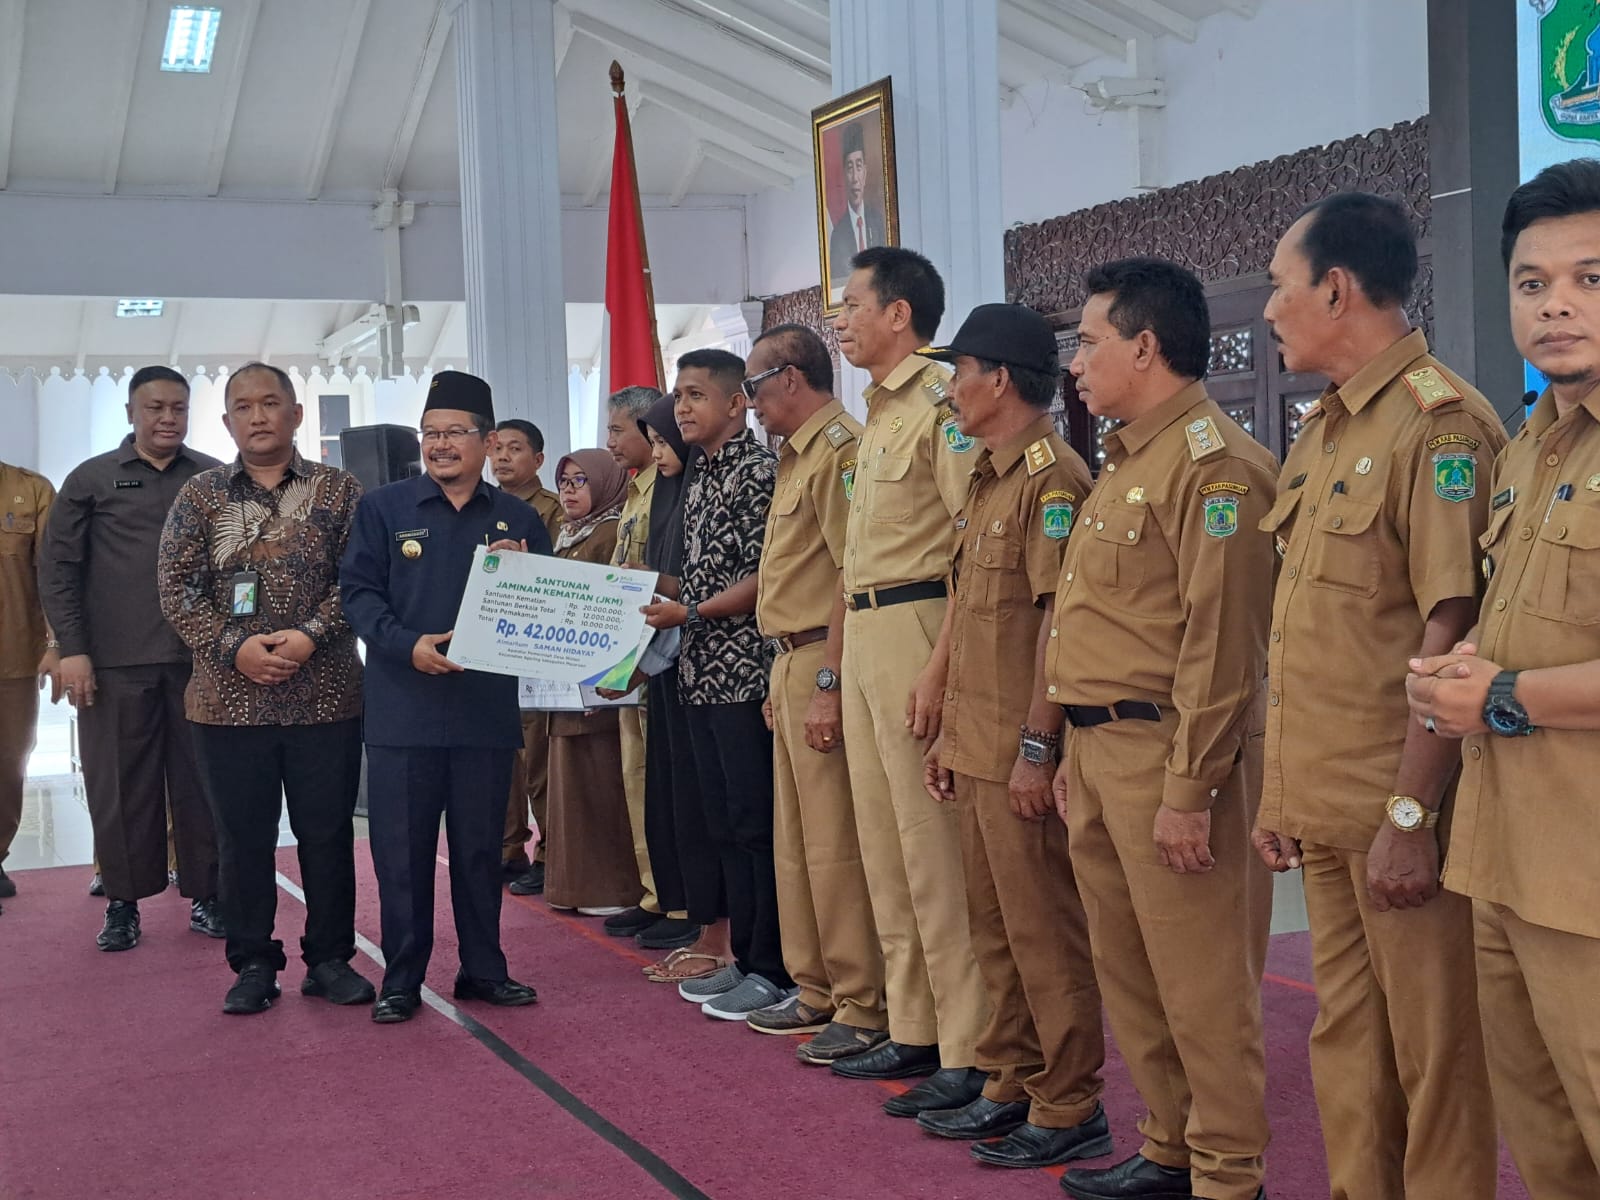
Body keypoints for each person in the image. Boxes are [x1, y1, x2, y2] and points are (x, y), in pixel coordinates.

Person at [1251, 194, 1503, 1199]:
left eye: (1280, 285)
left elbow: (1453, 629)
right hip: (1326, 803)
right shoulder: (1324, 430)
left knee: (1435, 1057)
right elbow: (1311, 635)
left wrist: (1409, 813)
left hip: (1401, 808)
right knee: (1348, 1040)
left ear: (1335, 288)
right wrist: (1282, 792)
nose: (1269, 308)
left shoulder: (1442, 426)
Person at [1048, 259, 1277, 1200]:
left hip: (1170, 755)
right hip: (1101, 750)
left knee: (1202, 980)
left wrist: (1189, 790)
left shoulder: (1217, 468)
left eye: (1088, 343)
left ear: (1144, 347)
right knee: (1132, 971)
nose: (1074, 365)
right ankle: (1170, 1146)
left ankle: (1227, 1172)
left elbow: (1221, 651)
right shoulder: (1129, 461)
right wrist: (1072, 745)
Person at [1406, 158, 1600, 1199]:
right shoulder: (1532, 447)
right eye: (1533, 282)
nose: (1555, 305)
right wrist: (1464, 668)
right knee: (1546, 1148)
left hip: (1589, 878)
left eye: (1590, 279)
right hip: (1507, 861)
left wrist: (1500, 695)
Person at [916, 305, 1108, 1168]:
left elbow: (1057, 625)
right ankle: (1011, 1077)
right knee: (994, 929)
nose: (951, 390)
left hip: (1017, 749)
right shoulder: (989, 476)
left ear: (998, 379)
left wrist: (1038, 747)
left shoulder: (1051, 479)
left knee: (1044, 934)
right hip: (978, 739)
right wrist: (949, 731)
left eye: (958, 373)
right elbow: (975, 618)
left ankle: (1069, 1103)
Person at [826, 246, 991, 1119]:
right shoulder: (879, 412)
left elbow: (972, 542)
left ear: (899, 314)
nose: (839, 320)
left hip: (919, 625)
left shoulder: (939, 404)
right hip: (865, 629)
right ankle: (913, 1021)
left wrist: (941, 665)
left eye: (852, 304)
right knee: (885, 846)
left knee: (932, 850)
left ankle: (969, 1043)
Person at [156, 362, 372, 1015]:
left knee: (327, 835)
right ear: (227, 422)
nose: (258, 416)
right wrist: (235, 647)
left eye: (270, 403)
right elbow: (176, 589)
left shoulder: (340, 491)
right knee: (241, 839)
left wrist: (309, 635)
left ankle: (330, 959)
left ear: (296, 414)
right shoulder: (200, 496)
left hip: (325, 696)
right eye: (243, 407)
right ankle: (252, 962)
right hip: (227, 704)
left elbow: (361, 580)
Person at [340, 370, 549, 1024]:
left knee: (483, 853)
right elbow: (358, 596)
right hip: (402, 711)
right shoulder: (383, 509)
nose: (440, 444)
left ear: (487, 441)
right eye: (431, 433)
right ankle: (402, 978)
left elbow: (543, 610)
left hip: (484, 713)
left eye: (455, 432)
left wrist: (523, 573)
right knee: (401, 856)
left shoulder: (518, 518)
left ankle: (484, 969)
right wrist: (408, 646)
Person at [38, 365, 223, 950]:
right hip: (114, 663)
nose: (168, 418)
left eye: (178, 408)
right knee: (120, 787)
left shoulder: (214, 477)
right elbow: (58, 570)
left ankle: (208, 894)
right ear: (130, 413)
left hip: (200, 662)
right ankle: (123, 902)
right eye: (155, 408)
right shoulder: (90, 479)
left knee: (203, 784)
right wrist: (72, 650)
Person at [745, 323, 889, 1064]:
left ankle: (862, 998)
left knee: (834, 843)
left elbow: (847, 575)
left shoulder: (841, 452)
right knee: (798, 841)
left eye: (753, 387)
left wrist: (828, 681)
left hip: (821, 658)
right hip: (790, 659)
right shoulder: (797, 456)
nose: (751, 403)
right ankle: (817, 986)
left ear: (790, 379)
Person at [643, 348, 794, 1021]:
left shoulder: (759, 471)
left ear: (737, 404)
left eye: (697, 395)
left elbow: (768, 576)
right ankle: (744, 958)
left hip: (744, 675)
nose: (682, 408)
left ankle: (775, 967)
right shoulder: (700, 474)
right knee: (724, 824)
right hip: (698, 675)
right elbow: (694, 578)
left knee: (757, 826)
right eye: (679, 395)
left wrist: (693, 612)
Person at [596, 385, 694, 948]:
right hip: (632, 648)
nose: (610, 441)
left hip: (663, 650)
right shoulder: (636, 490)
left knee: (663, 779)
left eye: (618, 430)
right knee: (638, 776)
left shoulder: (672, 486)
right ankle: (655, 892)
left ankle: (677, 900)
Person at [634, 393, 719, 981]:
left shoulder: (709, 485)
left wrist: (660, 588)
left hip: (712, 664)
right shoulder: (666, 494)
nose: (660, 452)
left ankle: (709, 921)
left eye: (664, 442)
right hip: (669, 665)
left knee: (709, 802)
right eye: (656, 442)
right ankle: (681, 905)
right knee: (670, 790)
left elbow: (710, 581)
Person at [541, 448, 642, 916]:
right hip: (563, 681)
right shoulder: (567, 533)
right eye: (564, 481)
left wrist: (607, 676)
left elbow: (615, 609)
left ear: (605, 482)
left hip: (599, 685)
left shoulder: (609, 532)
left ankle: (609, 889)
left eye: (580, 480)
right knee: (571, 786)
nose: (569, 490)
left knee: (601, 785)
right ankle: (575, 887)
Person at [491, 418, 561, 885]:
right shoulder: (480, 506)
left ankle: (550, 854)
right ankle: (507, 848)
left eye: (514, 448)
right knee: (500, 758)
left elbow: (558, 572)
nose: (502, 457)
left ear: (537, 460)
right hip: (490, 647)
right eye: (497, 447)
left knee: (538, 758)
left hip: (534, 646)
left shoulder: (550, 510)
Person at [0, 458, 59, 911]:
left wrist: (57, 644)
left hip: (14, 654)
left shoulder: (31, 490)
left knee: (9, 763)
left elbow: (54, 574)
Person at [828, 122, 887, 288]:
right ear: (844, 176)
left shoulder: (877, 221)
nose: (855, 177)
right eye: (849, 168)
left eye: (859, 167)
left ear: (865, 173)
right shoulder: (838, 235)